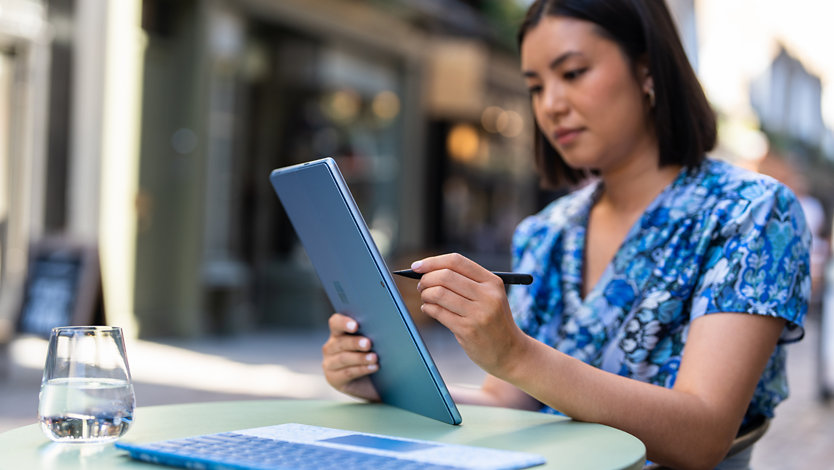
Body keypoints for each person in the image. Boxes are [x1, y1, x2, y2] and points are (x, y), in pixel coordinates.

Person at [321, 1, 810, 468]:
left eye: (573, 73)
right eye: (535, 86)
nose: (551, 105)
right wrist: (388, 386)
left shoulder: (750, 212)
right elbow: (507, 402)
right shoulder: (548, 232)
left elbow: (702, 436)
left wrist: (515, 353)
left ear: (647, 71)